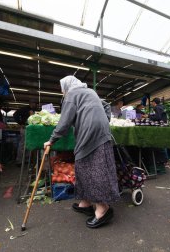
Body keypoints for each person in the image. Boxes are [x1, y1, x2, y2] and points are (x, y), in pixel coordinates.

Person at [44, 75, 120, 228]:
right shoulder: (90, 91)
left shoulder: (71, 95)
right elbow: (106, 105)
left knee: (93, 170)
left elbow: (64, 122)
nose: (63, 93)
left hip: (90, 133)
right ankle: (86, 202)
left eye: (62, 91)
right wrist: (104, 120)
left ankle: (102, 208)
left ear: (67, 87)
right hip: (100, 132)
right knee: (83, 166)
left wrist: (51, 140)